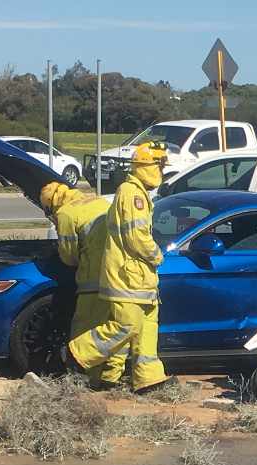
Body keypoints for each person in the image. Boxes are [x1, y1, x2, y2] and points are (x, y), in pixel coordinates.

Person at [67, 141, 176, 395]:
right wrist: (157, 255)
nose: (162, 172)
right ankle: (76, 355)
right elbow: (136, 237)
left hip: (141, 277)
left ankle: (148, 379)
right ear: (150, 166)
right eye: (160, 166)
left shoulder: (138, 192)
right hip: (127, 275)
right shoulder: (132, 194)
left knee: (147, 328)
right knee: (127, 325)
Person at [39, 181, 128, 390]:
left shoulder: (65, 214)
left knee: (84, 328)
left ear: (51, 206)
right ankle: (110, 377)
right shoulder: (97, 200)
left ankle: (80, 374)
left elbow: (69, 256)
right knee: (114, 325)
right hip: (120, 274)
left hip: (93, 279)